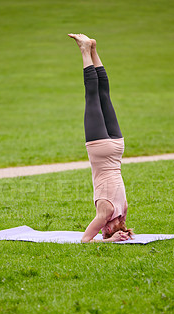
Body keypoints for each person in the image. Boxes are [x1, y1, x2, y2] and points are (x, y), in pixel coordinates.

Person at [68, 33, 133, 243]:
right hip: (100, 149)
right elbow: (85, 240)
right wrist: (109, 241)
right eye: (105, 231)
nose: (102, 230)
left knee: (104, 94)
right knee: (92, 95)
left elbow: (113, 224)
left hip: (117, 147)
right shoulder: (105, 213)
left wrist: (116, 233)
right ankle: (85, 50)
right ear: (110, 229)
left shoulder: (123, 209)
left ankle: (94, 49)